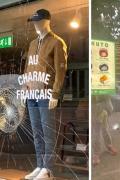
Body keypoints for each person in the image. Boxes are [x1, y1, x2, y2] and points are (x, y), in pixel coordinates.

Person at [24, 9, 67, 179]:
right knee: (36, 132)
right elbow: (29, 67)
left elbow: (61, 70)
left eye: (38, 21)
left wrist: (55, 94)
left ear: (47, 21)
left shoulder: (57, 42)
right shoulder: (33, 44)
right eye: (34, 21)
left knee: (47, 132)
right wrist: (26, 87)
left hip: (46, 93)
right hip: (32, 93)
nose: (36, 24)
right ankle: (40, 165)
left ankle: (48, 169)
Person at [92, 95, 117, 166]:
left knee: (105, 130)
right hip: (94, 112)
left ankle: (109, 146)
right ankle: (96, 154)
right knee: (96, 134)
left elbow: (107, 97)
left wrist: (109, 109)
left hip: (103, 112)